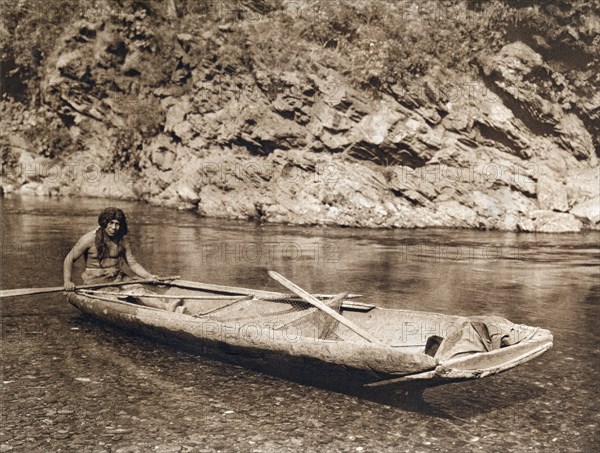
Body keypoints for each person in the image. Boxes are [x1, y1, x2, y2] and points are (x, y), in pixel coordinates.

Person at [63, 207, 181, 311]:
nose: (114, 227)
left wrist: (148, 276)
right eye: (111, 223)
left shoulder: (122, 240)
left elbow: (133, 264)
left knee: (139, 290)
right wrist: (67, 281)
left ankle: (166, 307)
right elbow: (69, 259)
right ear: (104, 223)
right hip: (96, 283)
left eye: (117, 224)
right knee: (114, 299)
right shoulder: (88, 239)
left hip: (118, 279)